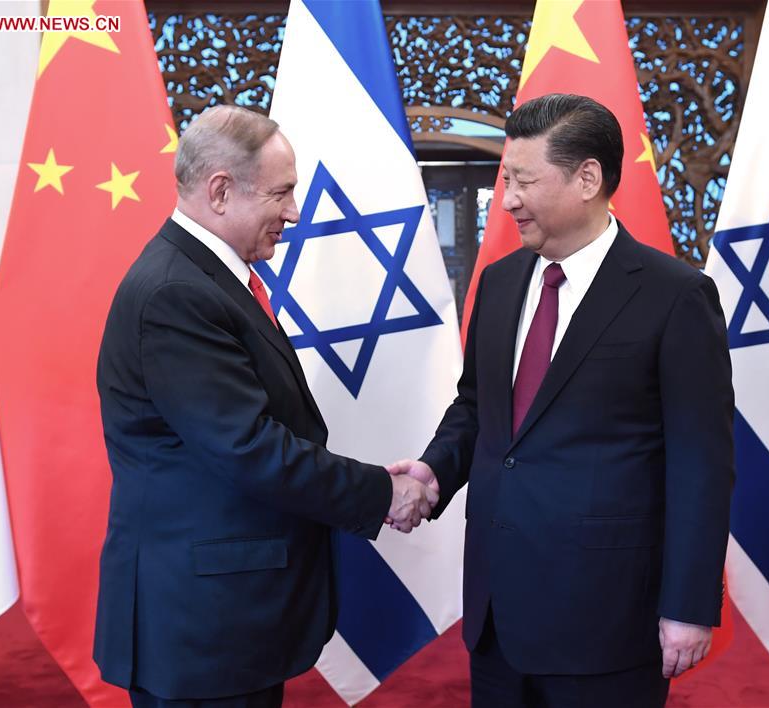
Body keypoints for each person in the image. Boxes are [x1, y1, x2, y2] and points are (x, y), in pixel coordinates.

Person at [391, 94, 734, 707]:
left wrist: (688, 604)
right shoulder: (498, 284)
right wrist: (433, 470)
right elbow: (476, 408)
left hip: (608, 619)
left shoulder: (675, 296)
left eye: (523, 180)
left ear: (588, 178)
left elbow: (701, 463)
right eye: (505, 180)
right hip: (497, 615)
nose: (507, 200)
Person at [93, 105, 437, 708]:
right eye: (282, 193)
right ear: (220, 191)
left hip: (223, 619)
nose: (295, 213)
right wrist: (383, 493)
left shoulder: (206, 279)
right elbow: (250, 449)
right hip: (201, 629)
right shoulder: (179, 293)